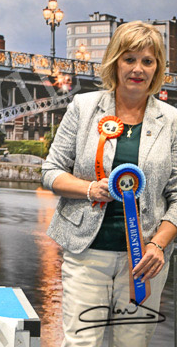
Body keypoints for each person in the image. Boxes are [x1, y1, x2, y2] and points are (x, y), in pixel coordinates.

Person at [42, 20, 177, 346]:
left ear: (157, 67)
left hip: (145, 261)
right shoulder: (83, 107)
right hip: (86, 253)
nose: (138, 69)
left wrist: (158, 245)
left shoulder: (172, 120)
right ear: (115, 61)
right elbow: (51, 171)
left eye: (147, 61)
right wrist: (90, 189)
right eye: (129, 59)